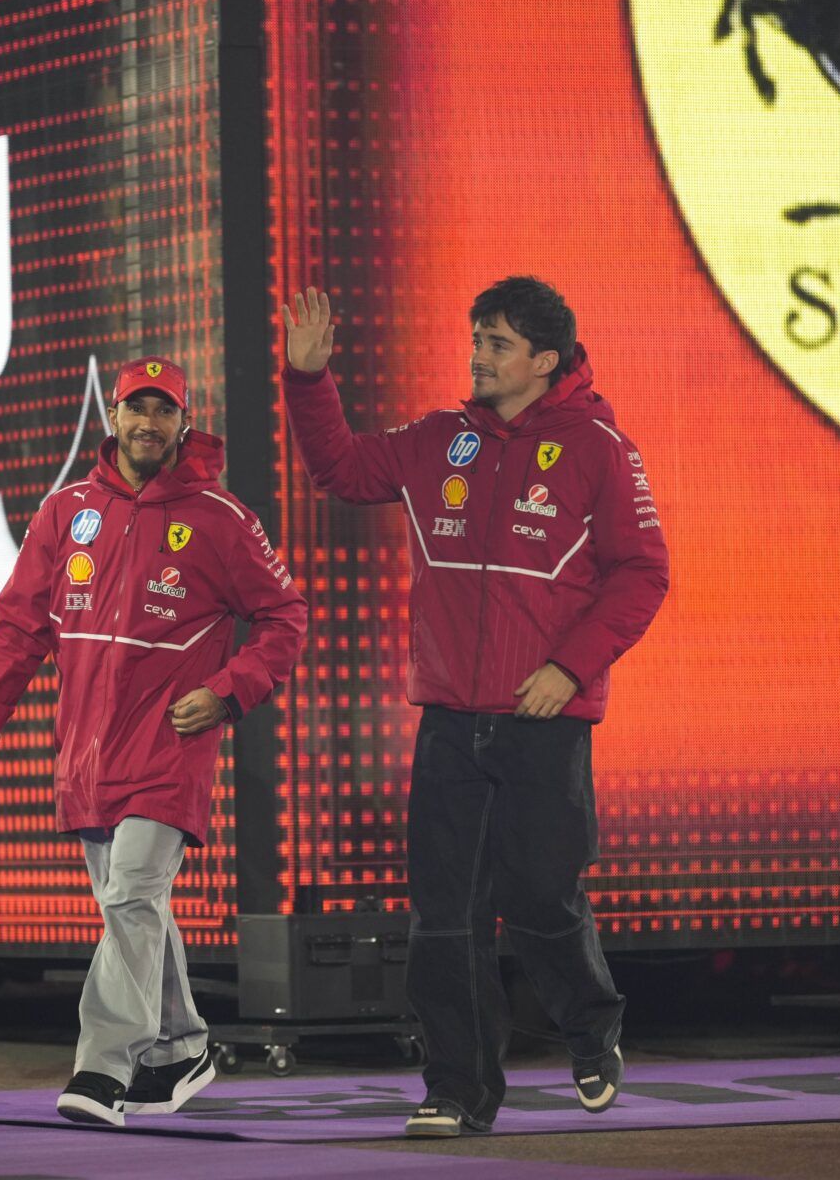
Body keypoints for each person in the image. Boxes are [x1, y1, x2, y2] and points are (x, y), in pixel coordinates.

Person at [280, 277, 669, 1137]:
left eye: (497, 343)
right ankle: (457, 1090)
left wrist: (568, 669)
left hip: (544, 722)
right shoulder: (438, 440)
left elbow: (643, 574)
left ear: (545, 359)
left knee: (540, 897)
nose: (478, 356)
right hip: (450, 722)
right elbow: (341, 469)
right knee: (444, 919)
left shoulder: (600, 447)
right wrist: (308, 379)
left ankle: (591, 1027)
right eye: (476, 340)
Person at [0, 355, 307, 1126]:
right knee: (133, 910)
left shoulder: (219, 517)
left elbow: (285, 617)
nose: (149, 423)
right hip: (87, 755)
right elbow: (17, 634)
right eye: (136, 408)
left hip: (170, 746)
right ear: (113, 416)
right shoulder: (65, 512)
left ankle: (103, 1068)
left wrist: (228, 689)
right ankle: (180, 1047)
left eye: (164, 410)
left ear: (185, 421)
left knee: (132, 895)